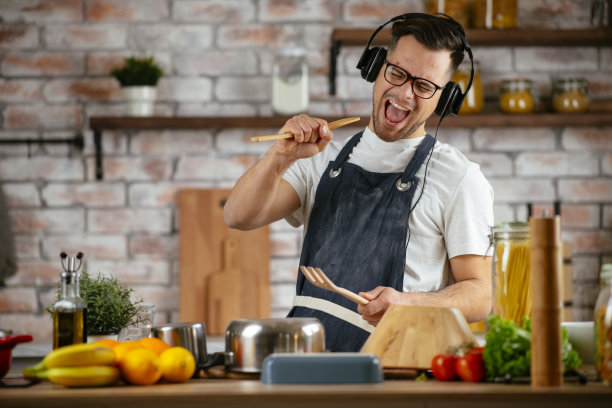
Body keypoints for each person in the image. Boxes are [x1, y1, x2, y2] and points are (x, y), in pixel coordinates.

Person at [223, 13, 494, 352]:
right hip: (308, 360)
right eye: (396, 73)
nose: (404, 93)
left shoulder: (459, 177)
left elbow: (480, 294)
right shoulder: (320, 157)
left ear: (444, 99)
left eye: (423, 86)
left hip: (397, 366)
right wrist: (281, 156)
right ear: (376, 67)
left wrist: (410, 303)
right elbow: (238, 216)